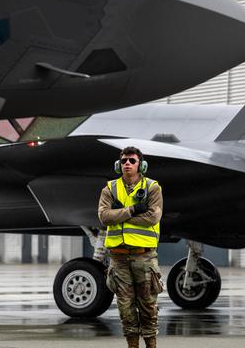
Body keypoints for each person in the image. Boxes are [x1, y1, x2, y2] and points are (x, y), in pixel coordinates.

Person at [98, 146, 164, 348]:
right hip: (118, 258)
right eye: (124, 160)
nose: (127, 163)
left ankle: (151, 345)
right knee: (125, 309)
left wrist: (120, 215)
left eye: (132, 161)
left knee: (148, 307)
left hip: (144, 257)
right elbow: (103, 217)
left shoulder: (152, 188)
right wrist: (133, 210)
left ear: (141, 165)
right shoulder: (110, 188)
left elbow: (153, 217)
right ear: (119, 165)